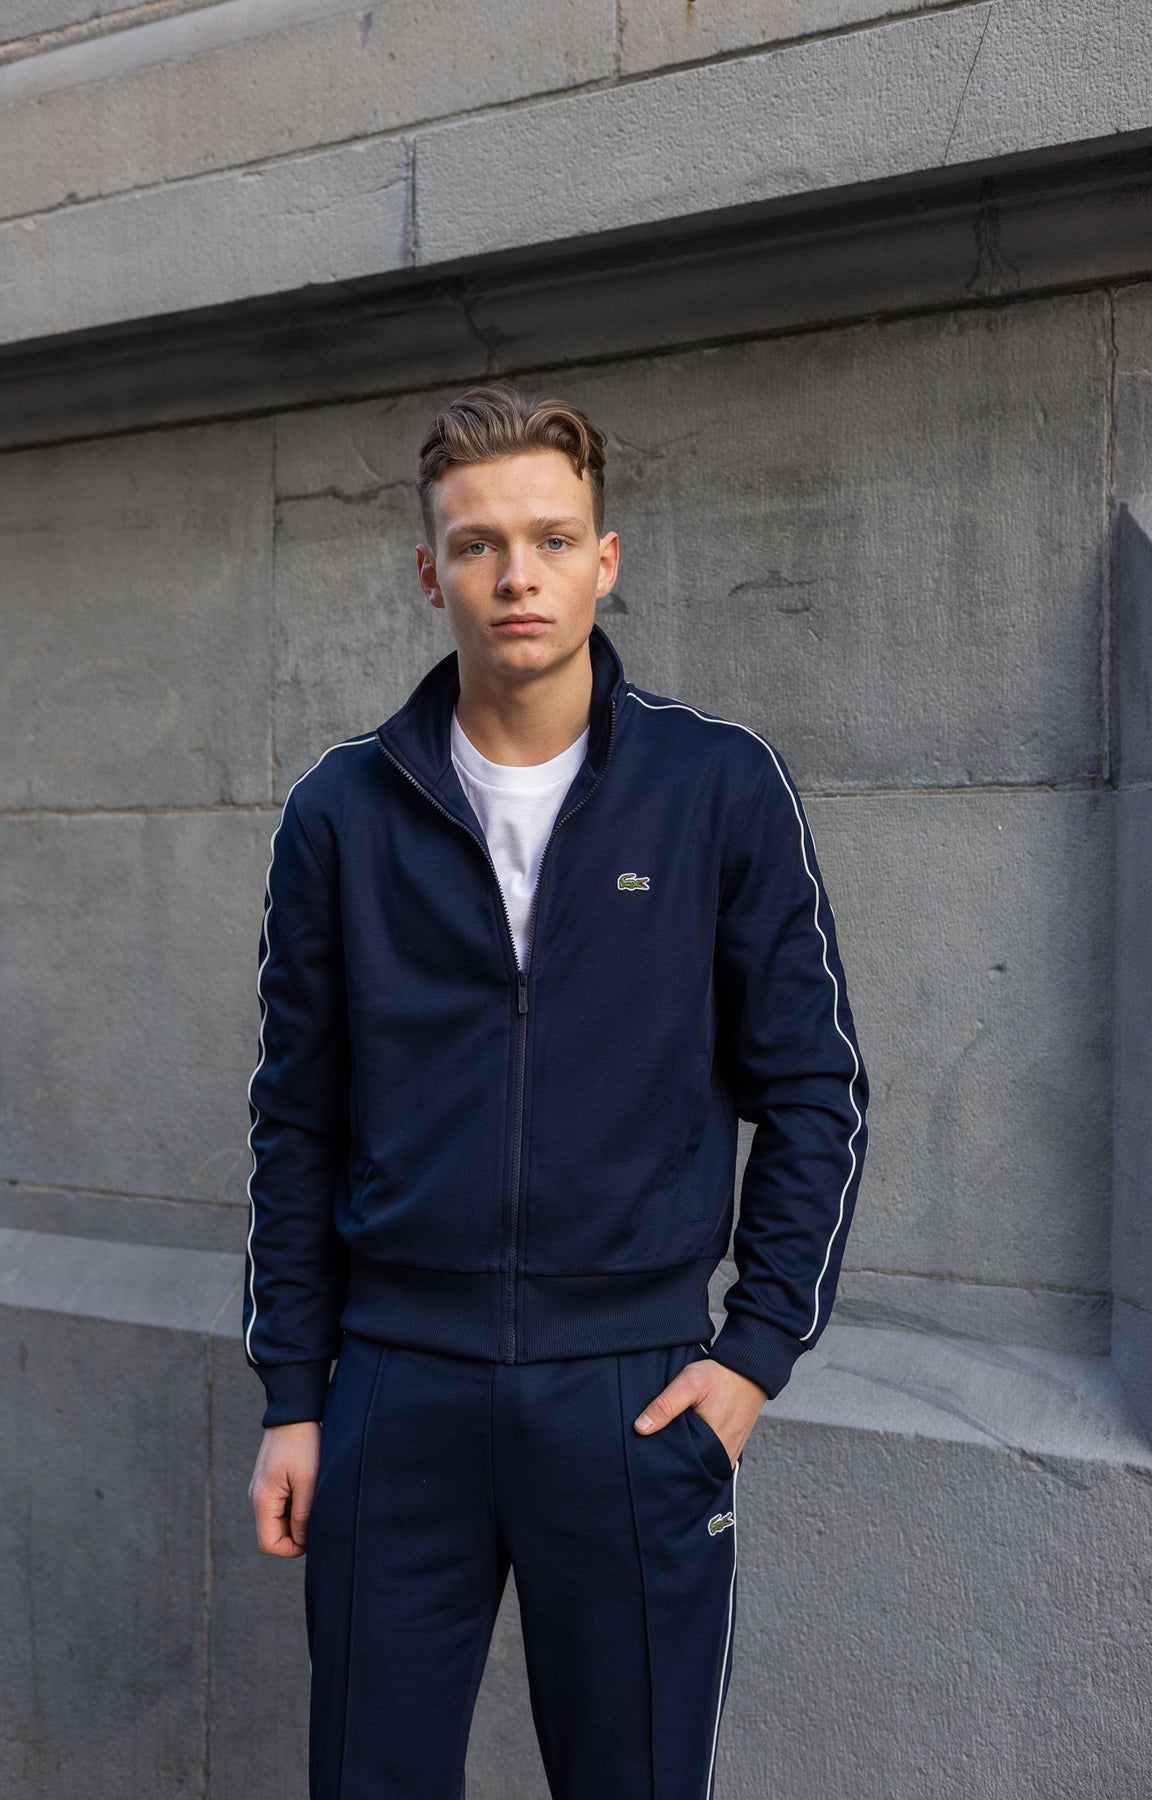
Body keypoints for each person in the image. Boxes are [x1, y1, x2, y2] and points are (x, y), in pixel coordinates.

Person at [243, 381, 869, 1800]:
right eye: (477, 544)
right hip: (395, 1396)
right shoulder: (340, 813)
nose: (515, 575)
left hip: (632, 1396)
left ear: (605, 559)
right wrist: (295, 1396)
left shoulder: (718, 789)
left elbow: (815, 1090)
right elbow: (297, 1121)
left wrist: (752, 1356)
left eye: (551, 538)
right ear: (431, 572)